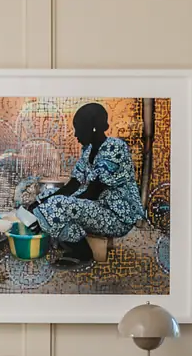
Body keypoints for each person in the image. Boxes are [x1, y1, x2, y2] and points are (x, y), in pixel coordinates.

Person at [28, 102, 145, 269]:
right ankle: (68, 241)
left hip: (116, 216)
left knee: (58, 204)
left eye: (78, 128)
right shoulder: (88, 150)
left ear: (93, 128)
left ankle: (82, 252)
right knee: (47, 196)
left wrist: (54, 205)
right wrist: (39, 203)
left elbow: (93, 191)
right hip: (97, 208)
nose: (75, 134)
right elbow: (73, 185)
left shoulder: (115, 148)